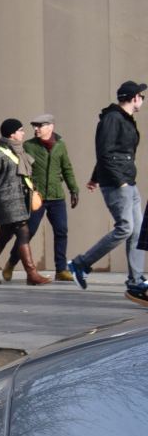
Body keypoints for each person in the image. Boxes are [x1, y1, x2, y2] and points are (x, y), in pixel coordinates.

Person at [68, 81, 147, 291]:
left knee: (139, 231)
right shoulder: (113, 118)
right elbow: (104, 152)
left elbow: (111, 153)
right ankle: (80, 264)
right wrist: (117, 180)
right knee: (125, 228)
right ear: (133, 98)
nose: (143, 100)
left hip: (128, 180)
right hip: (118, 183)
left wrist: (95, 177)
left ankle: (136, 280)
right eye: (142, 96)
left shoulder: (125, 119)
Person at [2, 114, 80, 281]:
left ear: (50, 127)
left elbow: (67, 168)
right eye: (34, 126)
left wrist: (74, 189)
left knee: (61, 231)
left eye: (39, 126)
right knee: (27, 233)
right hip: (36, 197)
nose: (36, 129)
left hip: (57, 197)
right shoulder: (29, 146)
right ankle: (11, 262)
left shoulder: (60, 145)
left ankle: (60, 270)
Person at [0, 118, 51, 285]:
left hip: (21, 200)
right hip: (7, 200)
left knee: (3, 237)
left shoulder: (20, 152)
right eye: (20, 130)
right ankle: (32, 274)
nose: (23, 133)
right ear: (12, 134)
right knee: (23, 232)